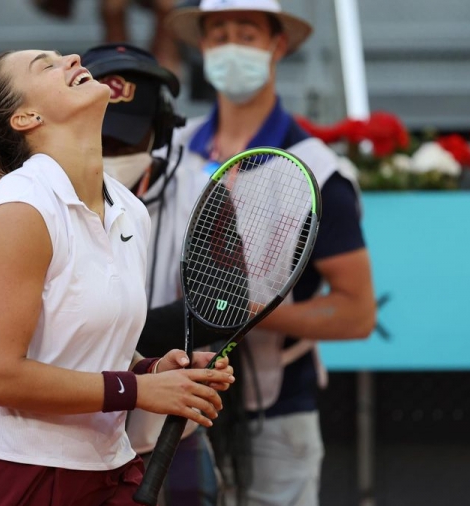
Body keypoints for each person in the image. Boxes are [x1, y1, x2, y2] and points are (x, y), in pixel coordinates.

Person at [0, 49, 236, 506]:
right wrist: (139, 390)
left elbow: (79, 358)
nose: (70, 57)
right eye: (45, 65)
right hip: (8, 477)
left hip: (104, 472)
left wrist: (152, 370)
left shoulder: (129, 209)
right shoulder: (20, 210)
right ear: (25, 116)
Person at [162, 1, 378, 504]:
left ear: (278, 45)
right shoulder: (170, 149)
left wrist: (254, 317)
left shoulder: (320, 172)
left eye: (247, 33)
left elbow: (357, 312)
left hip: (276, 412)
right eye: (218, 34)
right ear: (202, 46)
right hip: (169, 405)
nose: (231, 46)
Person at [81, 43, 220, 506]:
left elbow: (221, 306)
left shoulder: (202, 190)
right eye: (99, 138)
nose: (110, 152)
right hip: (73, 436)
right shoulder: (35, 195)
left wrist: (88, 334)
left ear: (160, 131)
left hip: (166, 431)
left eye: (124, 139)